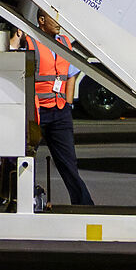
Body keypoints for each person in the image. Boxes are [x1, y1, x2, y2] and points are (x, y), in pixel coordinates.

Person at [25, 14, 94, 207]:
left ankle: (83, 205)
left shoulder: (64, 42)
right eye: (53, 18)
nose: (58, 22)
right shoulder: (30, 42)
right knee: (25, 160)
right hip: (36, 111)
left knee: (68, 162)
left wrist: (68, 102)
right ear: (41, 20)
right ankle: (23, 199)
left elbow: (71, 74)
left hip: (60, 110)